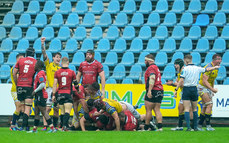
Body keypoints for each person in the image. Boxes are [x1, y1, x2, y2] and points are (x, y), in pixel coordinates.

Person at [174, 55, 220, 131]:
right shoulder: (197, 68)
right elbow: (207, 69)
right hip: (194, 89)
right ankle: (195, 127)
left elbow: (181, 80)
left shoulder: (185, 69)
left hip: (186, 89)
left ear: (185, 61)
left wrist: (176, 90)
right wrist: (214, 68)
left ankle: (188, 127)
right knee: (195, 109)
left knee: (186, 109)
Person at [28, 60, 56, 133]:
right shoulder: (39, 73)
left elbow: (42, 84)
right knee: (36, 113)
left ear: (38, 66)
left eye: (35, 65)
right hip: (38, 96)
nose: (34, 66)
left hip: (41, 95)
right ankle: (34, 129)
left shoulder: (40, 73)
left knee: (44, 112)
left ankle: (52, 128)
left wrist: (35, 91)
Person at [13, 47, 37, 131]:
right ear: (33, 54)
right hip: (28, 86)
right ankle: (23, 127)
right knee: (27, 108)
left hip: (20, 85)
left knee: (22, 107)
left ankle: (25, 127)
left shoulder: (20, 60)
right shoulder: (35, 62)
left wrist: (17, 83)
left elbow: (14, 73)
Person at [41, 37, 62, 130]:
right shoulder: (49, 65)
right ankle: (45, 125)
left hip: (58, 91)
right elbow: (44, 54)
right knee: (47, 109)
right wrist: (42, 44)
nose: (58, 59)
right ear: (53, 58)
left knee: (56, 109)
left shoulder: (61, 68)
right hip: (49, 89)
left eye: (60, 58)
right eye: (57, 57)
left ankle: (55, 126)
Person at [52, 57, 78, 131]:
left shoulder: (57, 72)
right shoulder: (72, 72)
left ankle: (63, 127)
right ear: (68, 63)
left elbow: (54, 84)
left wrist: (54, 95)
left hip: (60, 94)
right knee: (67, 111)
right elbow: (75, 83)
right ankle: (64, 126)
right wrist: (78, 89)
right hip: (68, 93)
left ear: (61, 63)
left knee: (62, 112)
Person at [197, 54, 222, 131]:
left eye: (221, 59)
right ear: (214, 60)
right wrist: (212, 89)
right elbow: (204, 81)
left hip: (208, 88)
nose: (220, 61)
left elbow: (212, 79)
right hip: (202, 87)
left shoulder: (216, 68)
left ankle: (199, 125)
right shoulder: (208, 67)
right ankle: (208, 125)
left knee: (205, 106)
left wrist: (212, 89)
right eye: (219, 59)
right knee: (209, 104)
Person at [168, 59, 193, 131]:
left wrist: (172, 83)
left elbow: (182, 84)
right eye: (175, 64)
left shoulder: (183, 71)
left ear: (180, 64)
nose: (175, 66)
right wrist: (173, 84)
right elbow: (178, 83)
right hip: (184, 92)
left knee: (189, 109)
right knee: (181, 108)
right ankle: (180, 126)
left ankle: (192, 126)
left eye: (176, 64)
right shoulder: (179, 72)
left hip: (187, 91)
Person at [144, 54, 164, 131]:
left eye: (145, 60)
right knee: (157, 109)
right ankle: (160, 127)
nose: (145, 62)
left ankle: (146, 127)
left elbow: (152, 78)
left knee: (148, 110)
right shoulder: (156, 67)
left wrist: (149, 91)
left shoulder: (151, 68)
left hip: (153, 89)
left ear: (149, 61)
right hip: (160, 90)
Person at [10, 54, 24, 131]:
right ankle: (13, 125)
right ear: (17, 59)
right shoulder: (15, 68)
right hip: (15, 90)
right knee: (19, 106)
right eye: (21, 59)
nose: (22, 60)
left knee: (22, 109)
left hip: (20, 90)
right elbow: (18, 78)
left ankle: (14, 122)